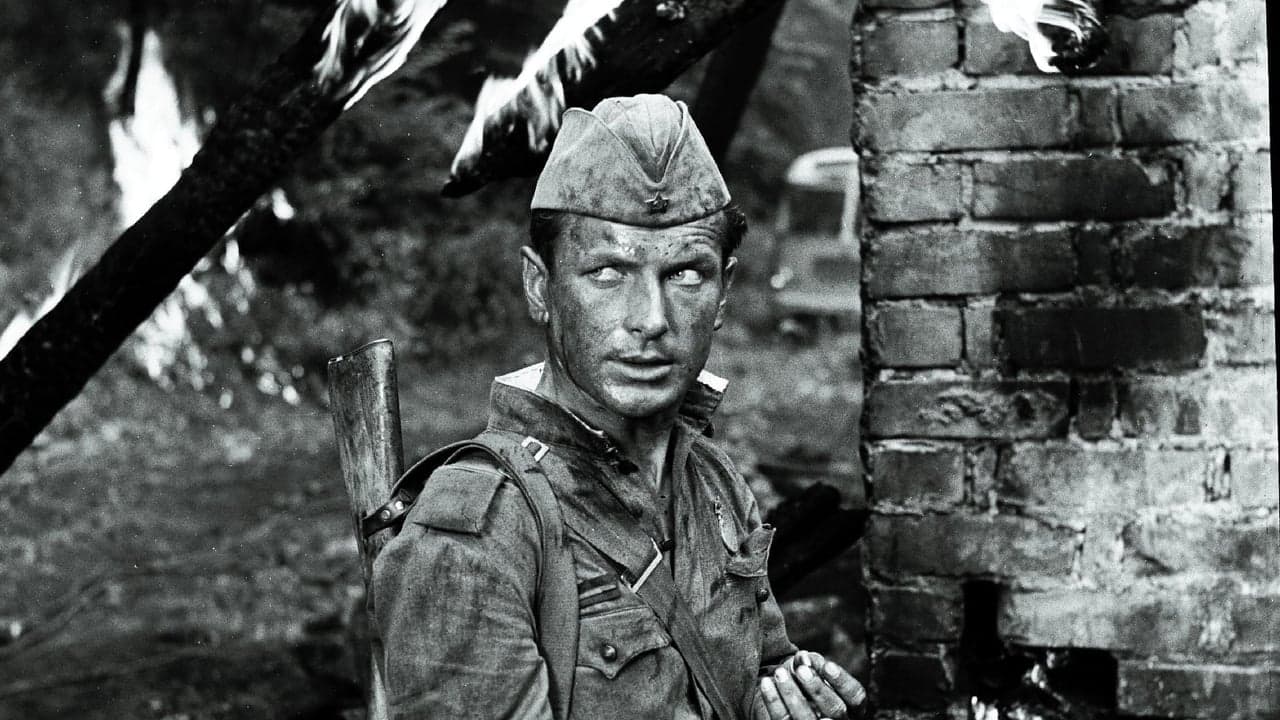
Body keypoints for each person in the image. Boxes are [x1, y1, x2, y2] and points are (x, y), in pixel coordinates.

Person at [371, 93, 866, 720]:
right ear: (540, 286)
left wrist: (786, 695)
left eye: (686, 274)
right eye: (607, 273)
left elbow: (750, 669)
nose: (651, 321)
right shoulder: (476, 535)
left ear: (723, 292)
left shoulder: (713, 483)